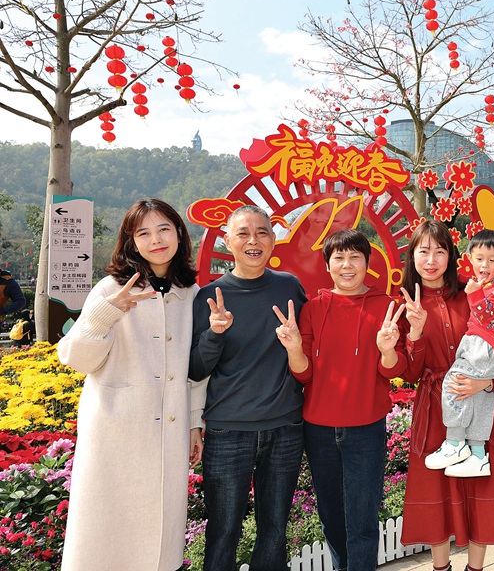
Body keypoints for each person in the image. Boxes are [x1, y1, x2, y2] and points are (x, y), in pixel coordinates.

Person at [57, 198, 206, 571]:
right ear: (131, 242)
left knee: (160, 532)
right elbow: (77, 359)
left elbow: (194, 367)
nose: (156, 240)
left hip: (169, 429)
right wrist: (106, 314)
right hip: (115, 431)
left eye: (164, 229)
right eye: (144, 233)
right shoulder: (111, 288)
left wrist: (194, 421)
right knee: (105, 530)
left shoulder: (190, 292)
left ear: (179, 234)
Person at [275, 229, 408, 571]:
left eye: (355, 258)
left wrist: (387, 349)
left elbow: (394, 369)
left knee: (362, 518)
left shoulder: (386, 308)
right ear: (328, 265)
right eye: (339, 258)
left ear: (367, 263)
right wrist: (293, 349)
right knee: (331, 516)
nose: (347, 265)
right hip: (318, 429)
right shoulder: (312, 309)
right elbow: (304, 373)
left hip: (366, 427)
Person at [189, 204, 307, 571]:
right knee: (223, 531)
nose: (253, 241)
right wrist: (214, 333)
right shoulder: (209, 296)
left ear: (273, 240)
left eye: (261, 233)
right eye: (243, 233)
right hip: (228, 430)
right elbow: (195, 369)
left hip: (285, 427)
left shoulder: (289, 286)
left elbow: (309, 347)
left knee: (274, 530)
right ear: (227, 241)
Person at [399, 220, 494, 571]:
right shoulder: (404, 304)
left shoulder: (475, 293)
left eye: (439, 251)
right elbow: (409, 374)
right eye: (423, 251)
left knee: (481, 484)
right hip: (436, 408)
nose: (431, 260)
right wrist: (415, 333)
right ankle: (441, 567)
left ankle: (475, 568)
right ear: (412, 256)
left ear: (451, 256)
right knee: (436, 488)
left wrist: (488, 383)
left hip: (480, 401)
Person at [425, 229, 494, 478]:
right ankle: (478, 455)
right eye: (479, 259)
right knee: (478, 397)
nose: (484, 265)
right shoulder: (487, 285)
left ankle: (455, 442)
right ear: (470, 259)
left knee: (453, 382)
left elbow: (493, 320)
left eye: (492, 260)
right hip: (493, 351)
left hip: (487, 347)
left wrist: (475, 295)